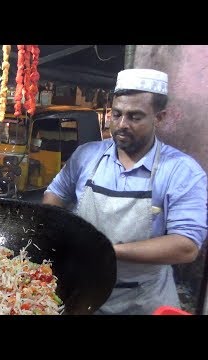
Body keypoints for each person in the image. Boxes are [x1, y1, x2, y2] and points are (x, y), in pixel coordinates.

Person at [42, 68, 208, 315]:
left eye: (135, 117)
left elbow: (186, 246)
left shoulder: (182, 171)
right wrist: (57, 232)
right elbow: (54, 194)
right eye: (116, 114)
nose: (121, 125)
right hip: (81, 287)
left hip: (142, 299)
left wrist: (105, 249)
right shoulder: (87, 155)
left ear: (159, 117)